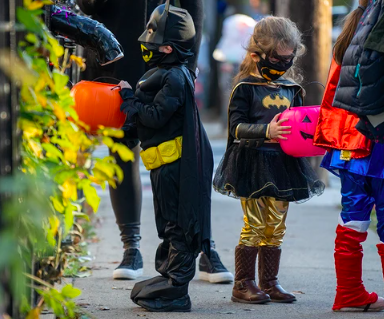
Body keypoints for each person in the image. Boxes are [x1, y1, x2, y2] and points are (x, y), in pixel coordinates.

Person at [76, 0, 232, 283]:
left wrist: (189, 63)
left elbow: (193, 7)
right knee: (121, 152)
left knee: (190, 158)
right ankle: (131, 247)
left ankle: (204, 247)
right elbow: (88, 6)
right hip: (114, 56)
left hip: (169, 58)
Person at [213, 16, 324, 304]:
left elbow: (301, 127)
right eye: (278, 58)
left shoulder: (291, 89)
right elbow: (236, 128)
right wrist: (267, 131)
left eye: (289, 59)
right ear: (256, 55)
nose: (284, 64)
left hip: (283, 164)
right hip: (252, 161)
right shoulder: (245, 88)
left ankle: (270, 282)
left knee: (276, 225)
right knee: (254, 224)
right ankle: (243, 283)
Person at [117, 1, 215, 312]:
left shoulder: (175, 78)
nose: (147, 48)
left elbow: (156, 116)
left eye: (154, 43)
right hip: (162, 165)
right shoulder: (164, 74)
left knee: (177, 223)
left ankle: (177, 287)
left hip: (175, 168)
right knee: (167, 224)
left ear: (169, 49)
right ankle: (169, 276)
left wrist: (130, 100)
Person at [314, 0, 384, 312]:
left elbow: (330, 97)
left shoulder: (345, 47)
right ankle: (350, 293)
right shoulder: (374, 47)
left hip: (347, 146)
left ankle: (349, 292)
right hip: (377, 147)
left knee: (353, 220)